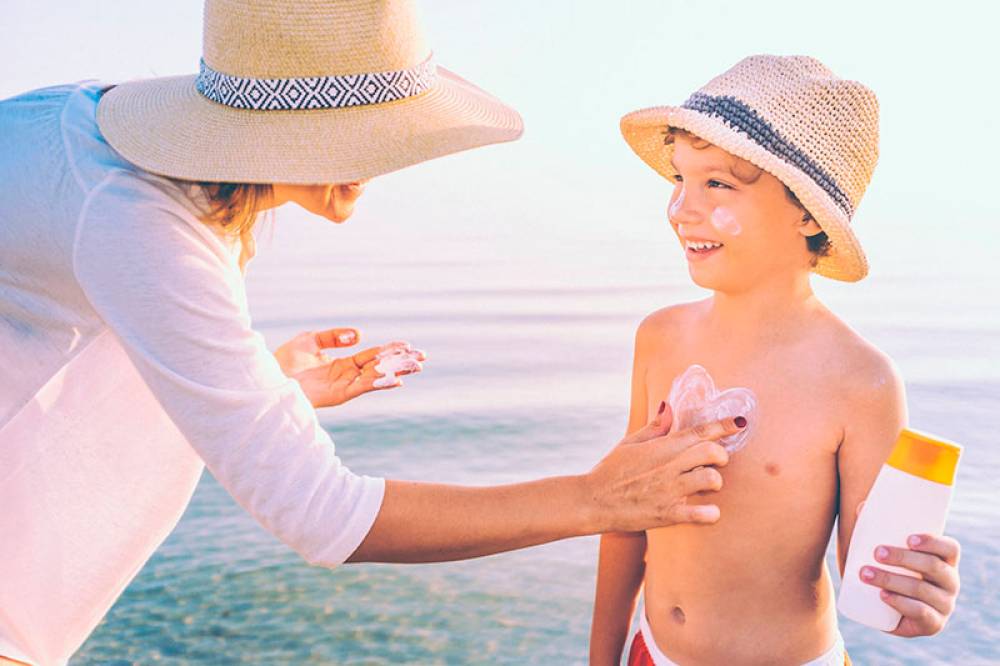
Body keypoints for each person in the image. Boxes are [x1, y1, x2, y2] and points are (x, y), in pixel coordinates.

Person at [0, 2, 748, 665]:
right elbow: (325, 516)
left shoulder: (119, 157)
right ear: (275, 132)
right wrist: (596, 500)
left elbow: (104, 338)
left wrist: (267, 382)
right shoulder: (134, 220)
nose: (381, 162)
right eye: (361, 135)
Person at [589, 56, 963, 665]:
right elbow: (622, 518)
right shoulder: (659, 337)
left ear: (809, 213)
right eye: (679, 179)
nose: (682, 208)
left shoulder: (859, 381)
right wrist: (603, 656)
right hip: (650, 652)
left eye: (718, 184)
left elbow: (873, 573)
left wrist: (916, 597)